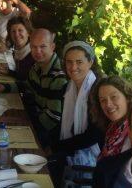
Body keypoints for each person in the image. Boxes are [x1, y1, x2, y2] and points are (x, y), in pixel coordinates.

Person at [0, 28, 67, 148]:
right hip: (36, 121)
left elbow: (52, 118)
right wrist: (3, 87)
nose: (38, 51)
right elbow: (26, 85)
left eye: (42, 46)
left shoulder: (58, 77)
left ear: (52, 47)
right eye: (34, 47)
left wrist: (26, 126)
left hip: (49, 137)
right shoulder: (37, 66)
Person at [50, 41, 104, 187]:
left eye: (79, 62)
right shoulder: (70, 87)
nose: (73, 67)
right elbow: (64, 122)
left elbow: (93, 136)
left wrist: (58, 146)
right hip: (73, 145)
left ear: (90, 62)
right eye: (69, 62)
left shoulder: (98, 91)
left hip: (92, 156)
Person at [91, 76, 132, 159]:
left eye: (114, 97)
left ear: (127, 97)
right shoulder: (112, 127)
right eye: (103, 100)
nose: (108, 104)